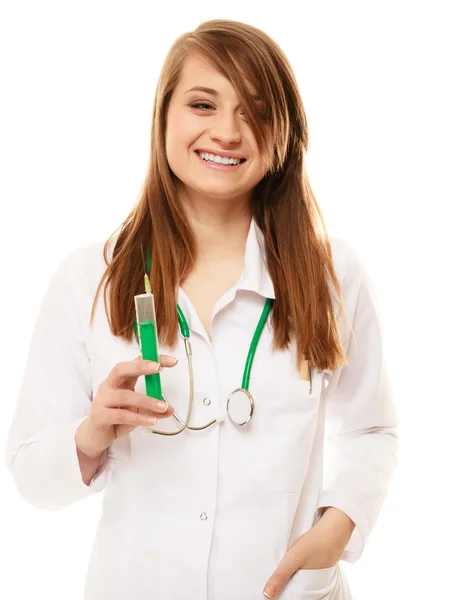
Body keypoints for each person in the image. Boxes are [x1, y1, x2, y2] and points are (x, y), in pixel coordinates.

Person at [5, 18, 399, 600]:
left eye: (255, 111)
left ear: (285, 132)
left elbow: (372, 429)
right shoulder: (90, 278)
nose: (228, 132)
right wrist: (91, 434)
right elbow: (32, 475)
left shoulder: (332, 274)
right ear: (164, 115)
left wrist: (339, 526)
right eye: (202, 104)